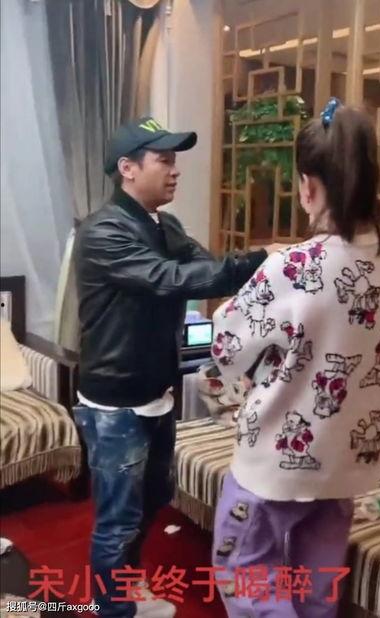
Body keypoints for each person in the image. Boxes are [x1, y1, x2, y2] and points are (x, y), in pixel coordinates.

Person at [210, 100, 380, 617]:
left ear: (308, 186)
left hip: (275, 464)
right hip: (348, 464)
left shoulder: (292, 266)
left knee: (247, 578)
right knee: (315, 588)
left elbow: (226, 346)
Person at [73, 117, 284, 618]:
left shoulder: (164, 226)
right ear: (128, 168)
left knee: (154, 498)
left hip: (157, 391)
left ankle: (125, 585)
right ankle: (112, 609)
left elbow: (204, 268)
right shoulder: (103, 231)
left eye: (175, 161)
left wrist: (270, 268)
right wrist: (261, 258)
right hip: (116, 402)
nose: (175, 170)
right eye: (163, 160)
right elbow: (169, 278)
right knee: (118, 521)